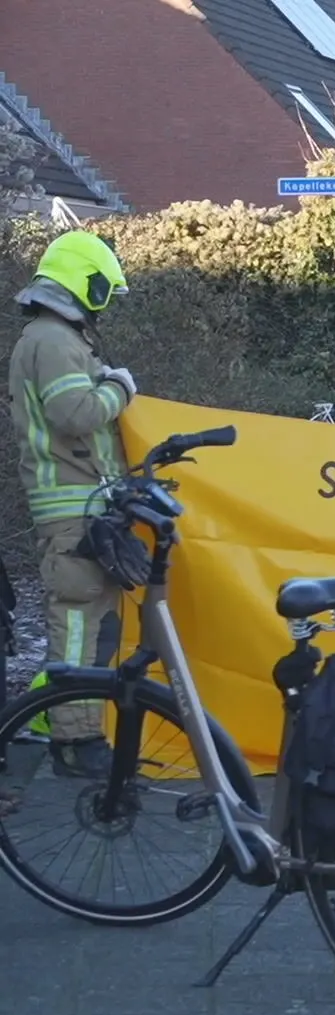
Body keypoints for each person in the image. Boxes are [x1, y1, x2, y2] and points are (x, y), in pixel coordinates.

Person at [8, 230, 137, 778]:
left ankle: (62, 727)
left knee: (93, 627)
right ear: (83, 281)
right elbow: (75, 414)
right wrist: (120, 389)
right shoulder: (54, 339)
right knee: (79, 628)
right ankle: (74, 740)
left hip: (85, 508)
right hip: (72, 514)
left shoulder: (54, 337)